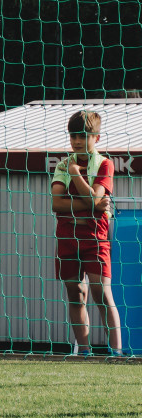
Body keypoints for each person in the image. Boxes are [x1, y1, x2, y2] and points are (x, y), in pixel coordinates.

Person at [51, 109, 121, 357]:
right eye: (73, 136)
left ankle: (117, 351)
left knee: (100, 291)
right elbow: (56, 204)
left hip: (95, 238)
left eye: (82, 135)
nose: (77, 141)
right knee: (75, 292)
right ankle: (84, 350)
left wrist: (76, 176)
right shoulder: (62, 164)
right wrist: (91, 204)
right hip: (68, 238)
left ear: (96, 138)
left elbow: (96, 198)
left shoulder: (104, 164)